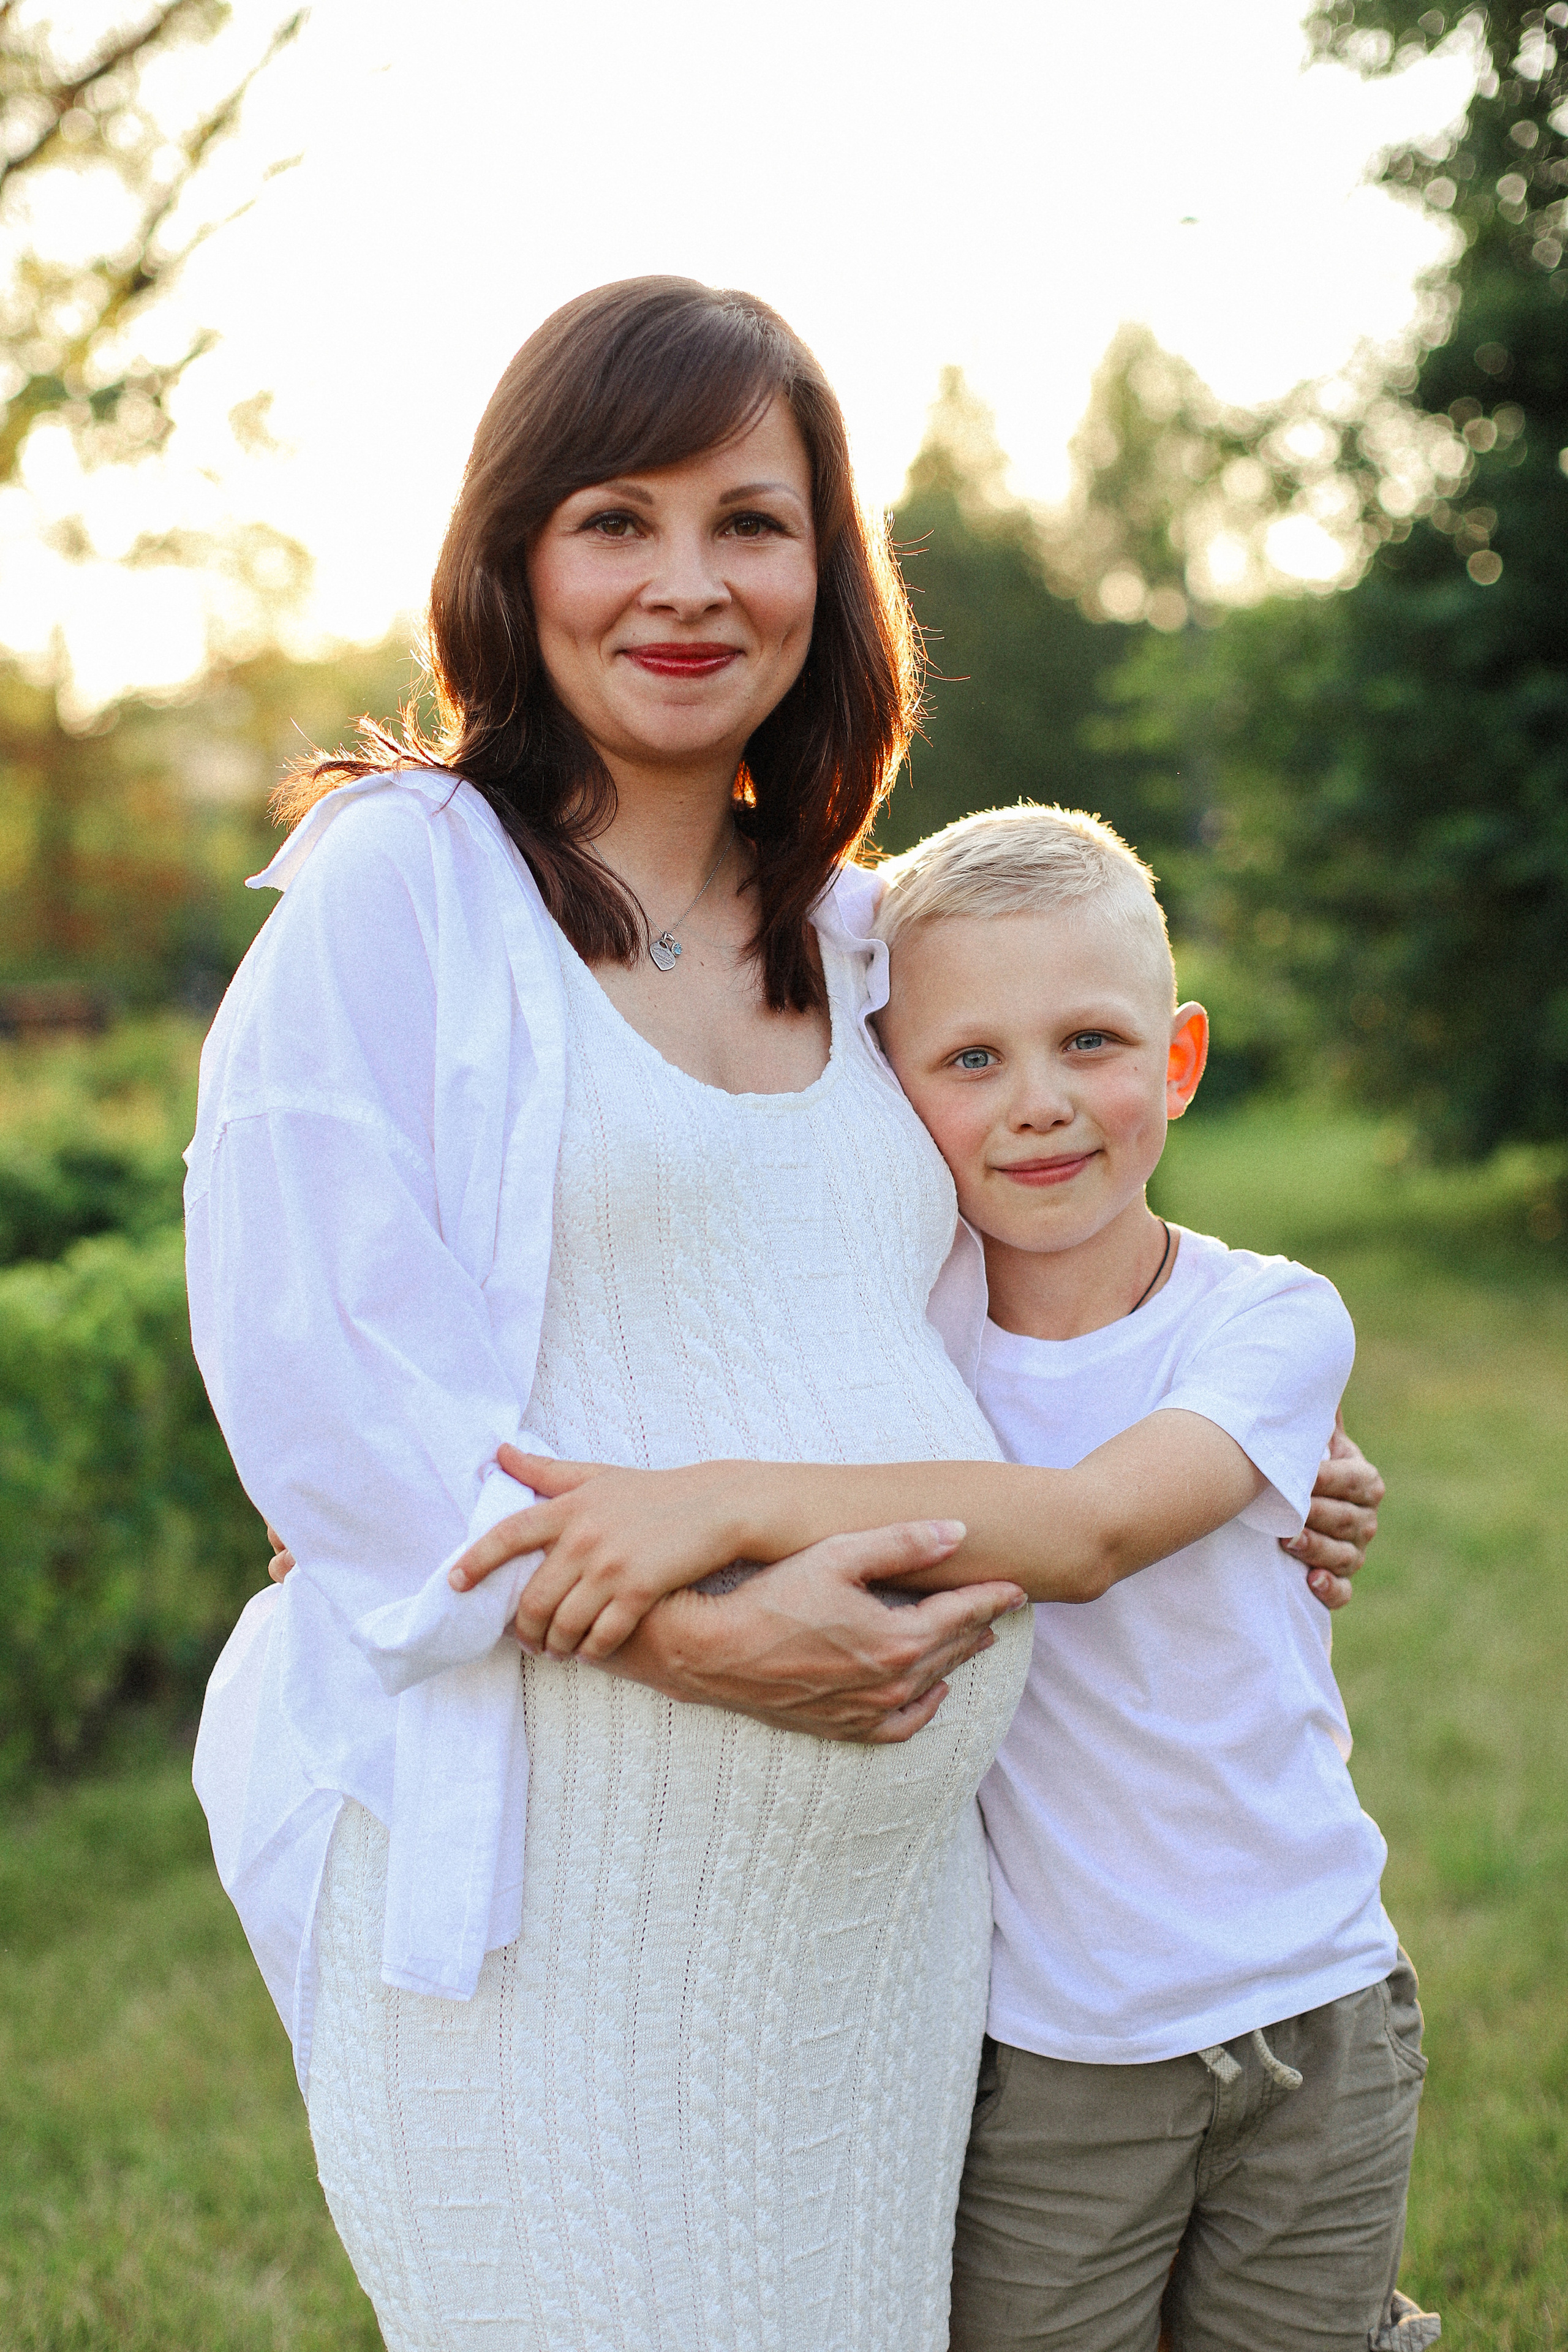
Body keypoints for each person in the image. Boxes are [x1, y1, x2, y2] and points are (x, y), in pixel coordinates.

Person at [189, 278, 1381, 2352]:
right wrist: (694, 1632)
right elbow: (318, 1383)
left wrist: (1253, 1447)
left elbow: (1021, 1262)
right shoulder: (407, 890)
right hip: (567, 1916)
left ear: (830, 572)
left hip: (905, 1950)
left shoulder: (860, 930)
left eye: (751, 522)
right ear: (514, 555)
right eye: (616, 518)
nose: (685, 582)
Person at [465, 804, 1433, 2352]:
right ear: (885, 1090)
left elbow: (1090, 1529)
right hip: (1053, 2045)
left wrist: (717, 1505)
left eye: (1091, 1043)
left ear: (1176, 1062)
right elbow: (606, 1388)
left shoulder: (1269, 1322)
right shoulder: (889, 1350)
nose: (1039, 1105)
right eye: (968, 1059)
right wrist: (386, 1502)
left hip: (1314, 1993)